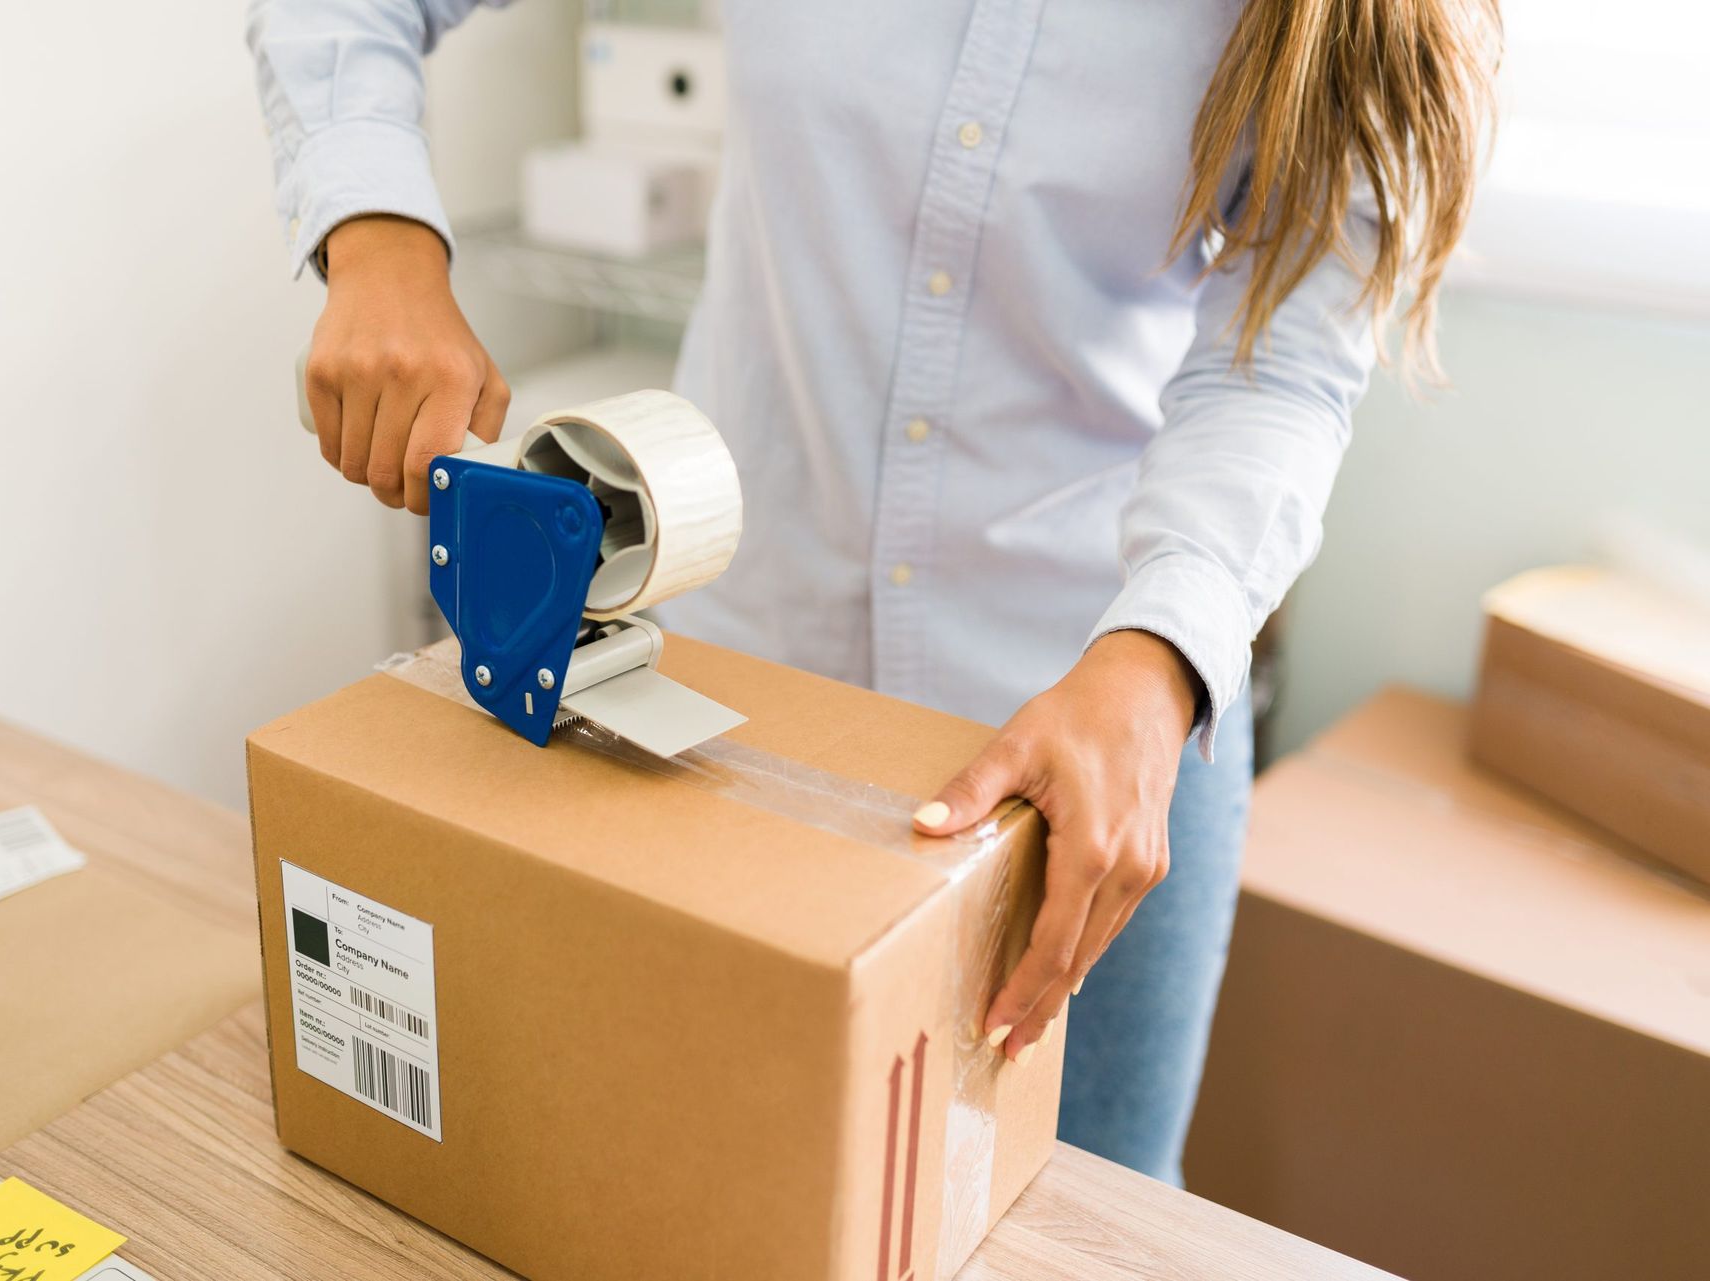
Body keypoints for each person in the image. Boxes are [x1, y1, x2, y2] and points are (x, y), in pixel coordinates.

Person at [246, 0, 1497, 1184]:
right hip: (733, 690)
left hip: (1100, 721)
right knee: (703, 1174)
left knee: (1067, 1220)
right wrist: (381, 246)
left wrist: (1158, 658)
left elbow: (1277, 370)